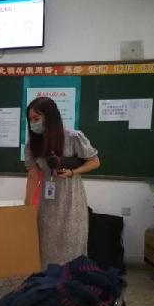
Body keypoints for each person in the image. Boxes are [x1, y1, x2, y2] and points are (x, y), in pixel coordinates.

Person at [24, 97, 100, 267]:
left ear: (50, 117)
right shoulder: (32, 145)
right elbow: (33, 175)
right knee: (47, 245)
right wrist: (27, 206)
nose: (33, 123)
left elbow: (94, 162)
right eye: (30, 120)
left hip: (72, 200)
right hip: (48, 202)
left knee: (72, 245)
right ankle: (50, 280)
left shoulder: (73, 137)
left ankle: (72, 280)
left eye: (37, 118)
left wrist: (72, 172)